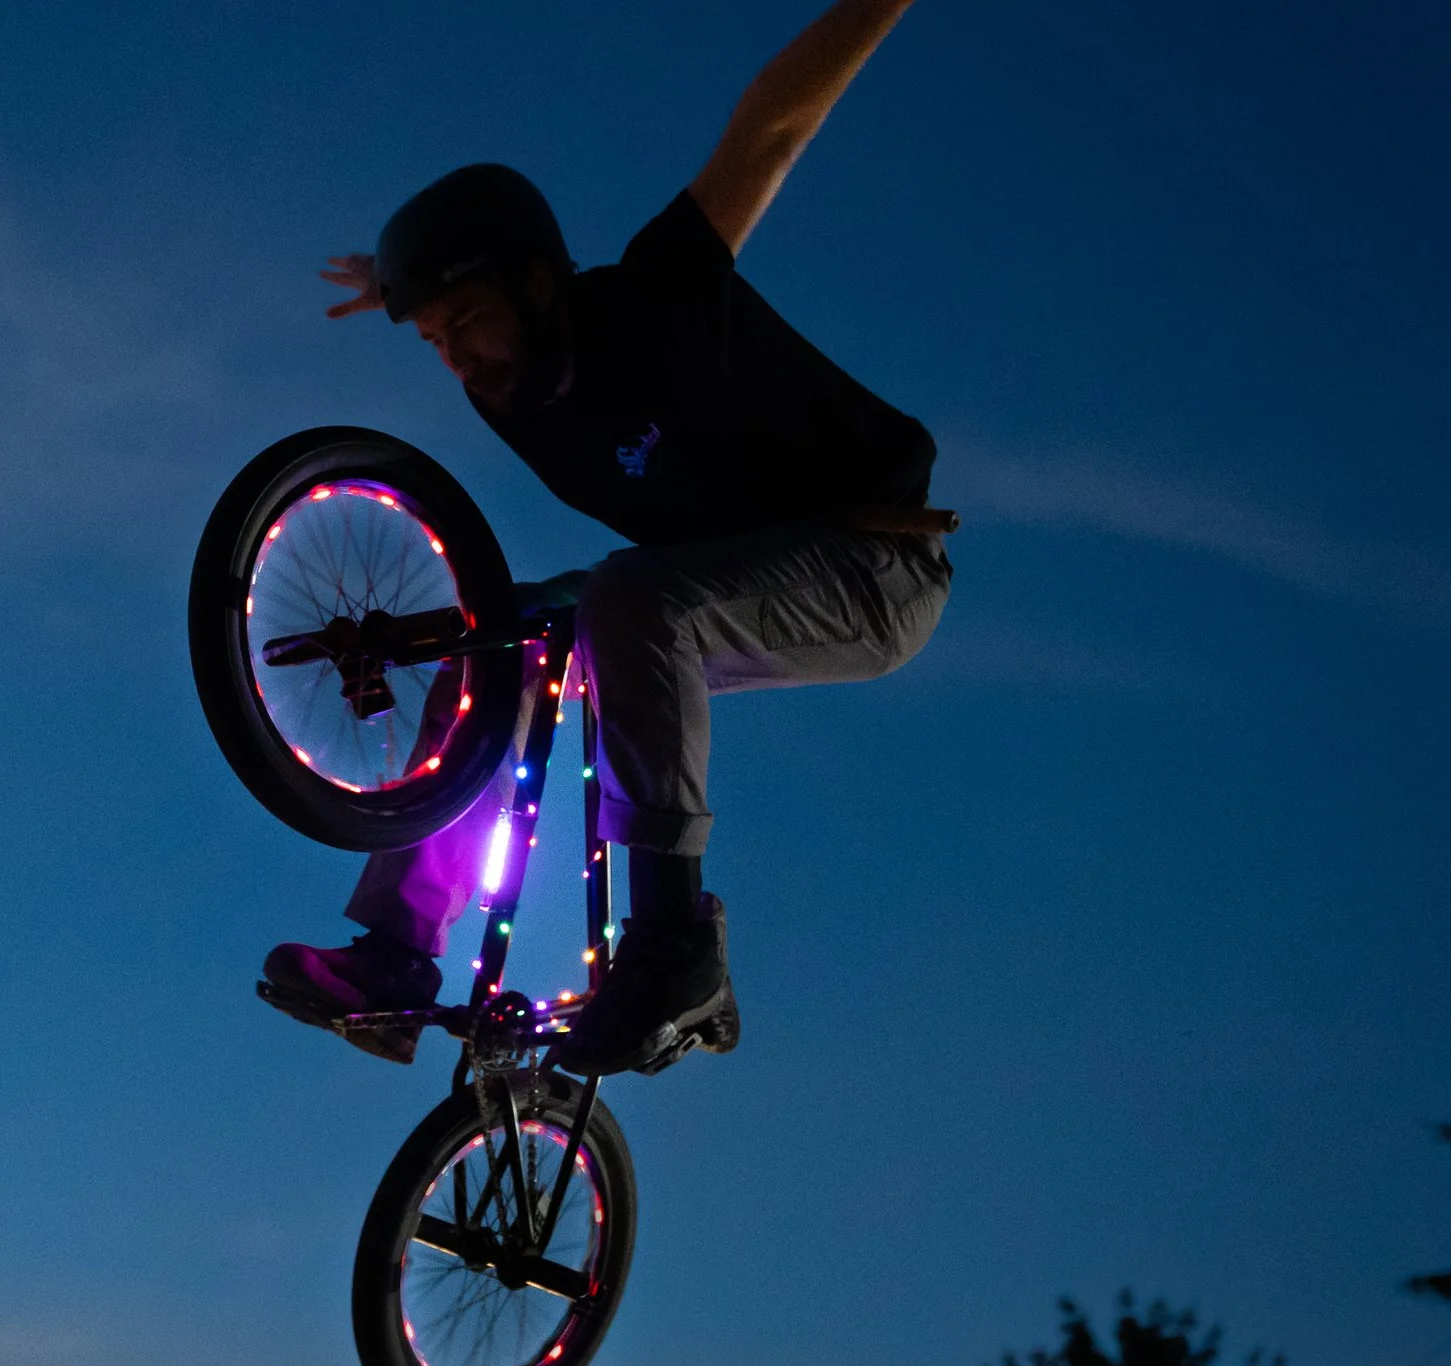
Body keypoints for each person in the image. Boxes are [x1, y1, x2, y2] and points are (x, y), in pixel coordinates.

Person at [263, 0, 951, 1077]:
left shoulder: (655, 299)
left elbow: (770, 128)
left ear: (539, 282)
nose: (458, 360)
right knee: (497, 635)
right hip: (720, 570)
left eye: (469, 322)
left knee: (631, 599)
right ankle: (397, 959)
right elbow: (468, 332)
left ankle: (674, 943)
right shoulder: (508, 388)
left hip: (873, 563)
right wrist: (399, 282)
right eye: (435, 337)